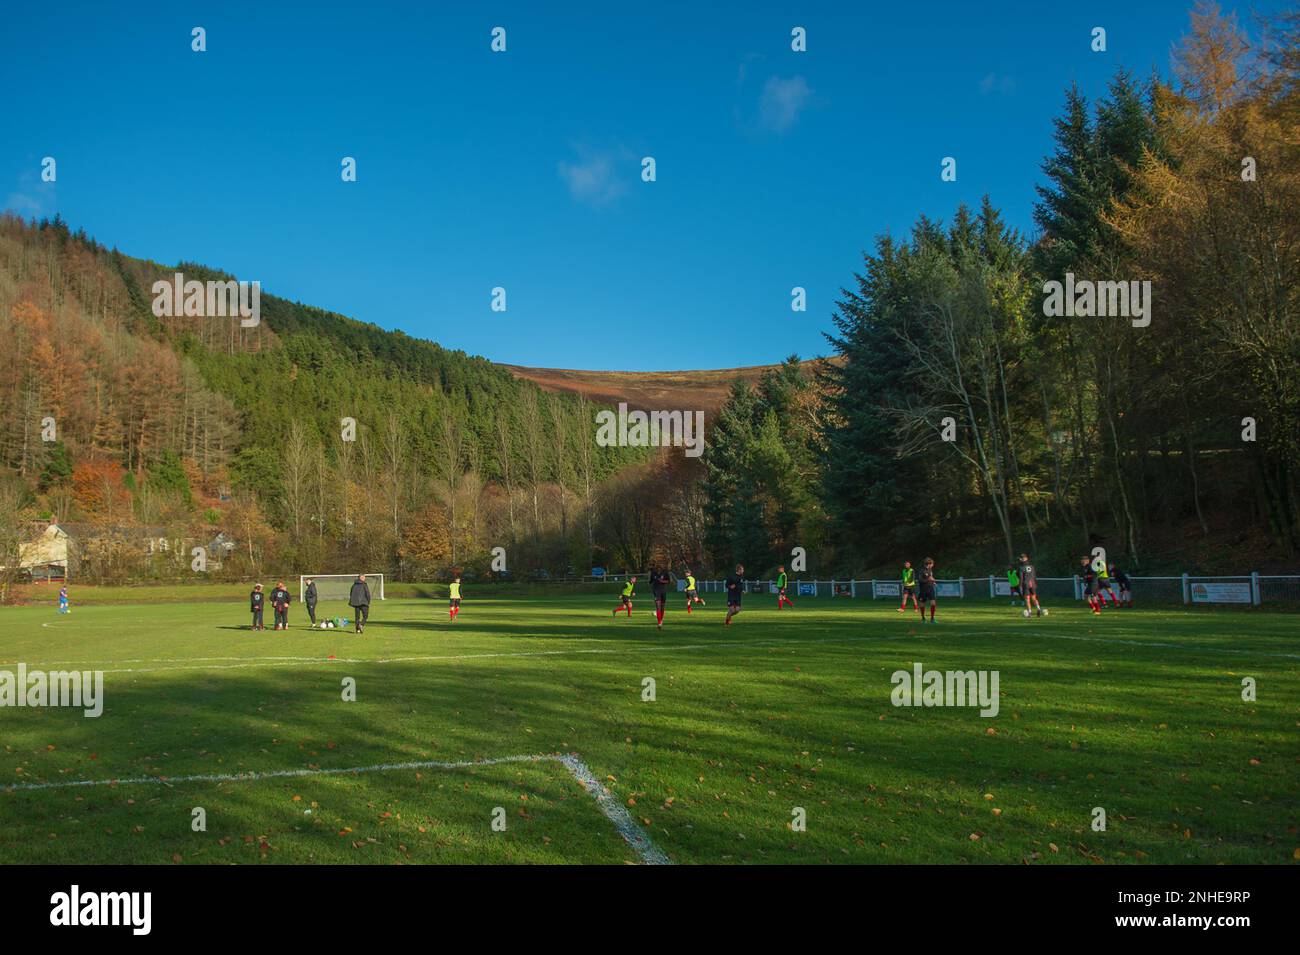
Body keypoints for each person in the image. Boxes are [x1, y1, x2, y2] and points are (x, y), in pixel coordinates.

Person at [917, 558, 937, 623]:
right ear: (929, 564)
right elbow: (920, 580)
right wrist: (928, 580)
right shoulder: (921, 571)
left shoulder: (930, 570)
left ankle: (932, 618)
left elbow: (930, 578)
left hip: (930, 588)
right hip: (923, 589)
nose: (933, 565)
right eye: (932, 564)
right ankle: (923, 618)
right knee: (922, 604)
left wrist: (933, 582)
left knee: (933, 603)